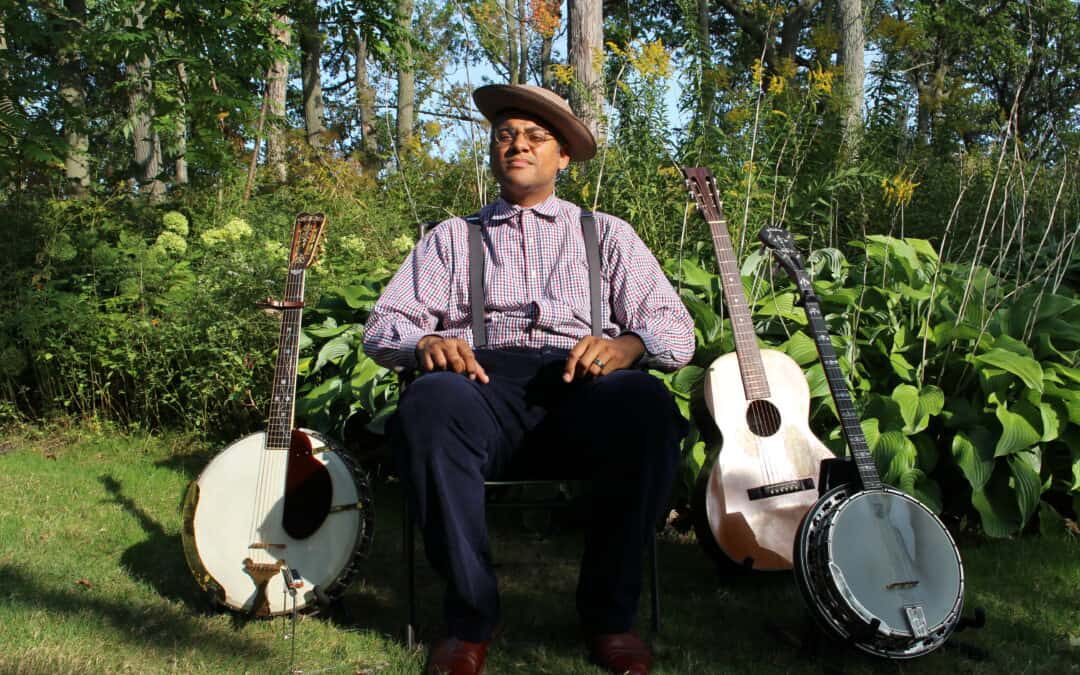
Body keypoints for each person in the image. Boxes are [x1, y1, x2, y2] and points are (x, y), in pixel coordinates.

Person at [362, 84, 694, 675]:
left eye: (536, 137)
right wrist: (427, 343)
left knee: (645, 403)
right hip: (481, 387)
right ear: (493, 152)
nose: (518, 145)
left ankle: (609, 618)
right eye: (506, 135)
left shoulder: (608, 234)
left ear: (563, 157)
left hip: (583, 388)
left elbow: (677, 331)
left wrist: (627, 345)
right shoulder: (450, 239)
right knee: (428, 404)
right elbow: (383, 327)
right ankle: (469, 622)